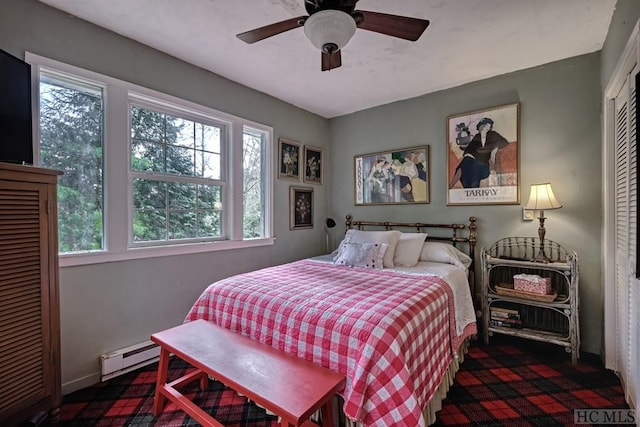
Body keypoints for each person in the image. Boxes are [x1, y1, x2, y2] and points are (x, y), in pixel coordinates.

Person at [449, 117, 509, 188]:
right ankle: (452, 187)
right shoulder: (477, 136)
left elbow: (504, 143)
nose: (483, 128)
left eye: (486, 126)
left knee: (466, 164)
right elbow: (467, 150)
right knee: (466, 162)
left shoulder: (493, 135)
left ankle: (452, 186)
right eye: (482, 126)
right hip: (472, 162)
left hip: (483, 165)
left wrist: (488, 147)